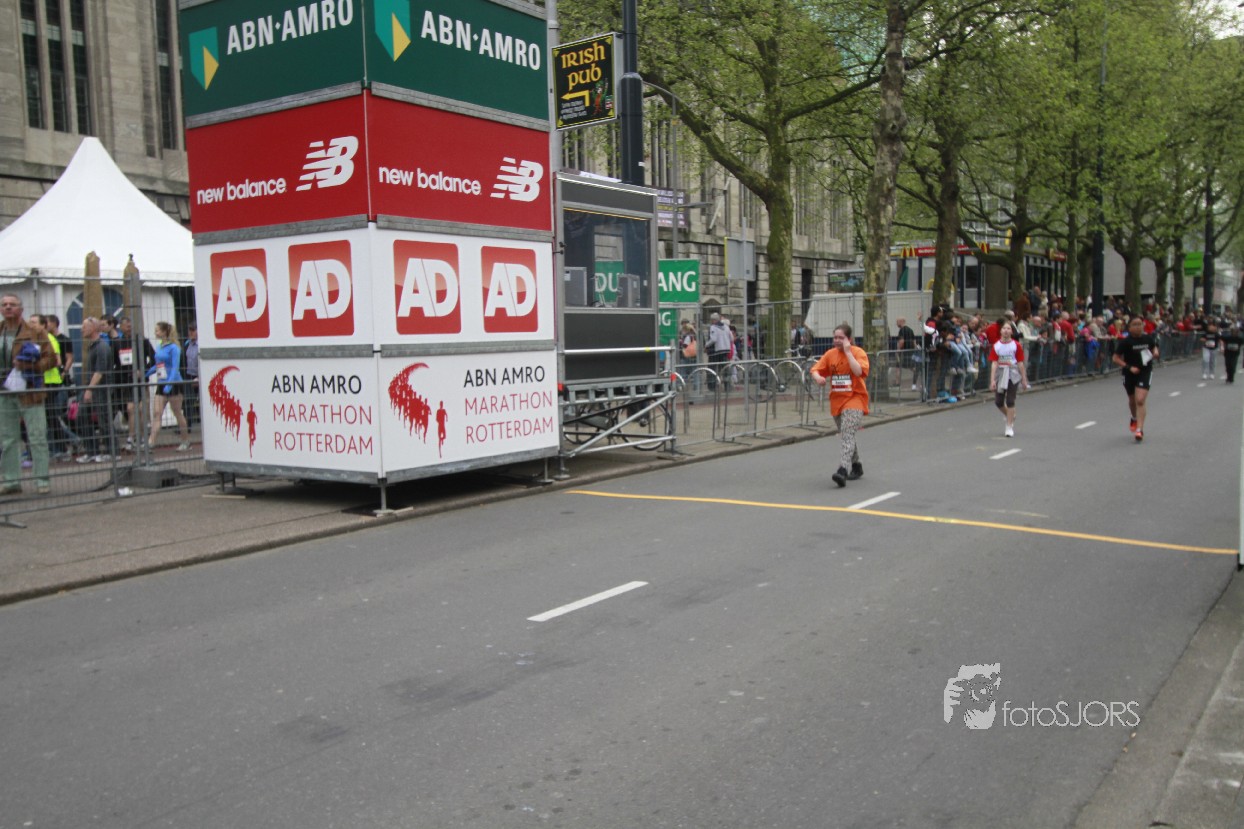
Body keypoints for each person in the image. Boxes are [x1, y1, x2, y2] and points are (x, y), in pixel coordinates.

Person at [0, 294, 56, 495]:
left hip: (30, 391)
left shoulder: (35, 332)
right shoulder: (0, 330)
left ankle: (41, 480)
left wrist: (31, 365)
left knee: (37, 436)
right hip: (4, 391)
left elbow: (52, 359)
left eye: (12, 304)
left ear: (21, 309)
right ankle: (11, 481)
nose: (8, 307)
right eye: (4, 305)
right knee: (8, 439)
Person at [810, 323, 870, 487]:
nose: (837, 340)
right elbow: (815, 369)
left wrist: (848, 352)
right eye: (835, 337)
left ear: (848, 339)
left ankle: (842, 469)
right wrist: (818, 378)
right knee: (847, 434)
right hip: (837, 401)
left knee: (847, 433)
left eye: (841, 338)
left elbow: (859, 372)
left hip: (855, 399)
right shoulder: (830, 354)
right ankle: (857, 466)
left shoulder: (858, 353)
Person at [1112, 316, 1159, 442]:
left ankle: (1139, 429)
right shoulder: (1125, 342)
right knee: (1132, 400)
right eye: (1135, 324)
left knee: (1140, 400)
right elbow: (1115, 358)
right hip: (1129, 373)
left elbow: (1154, 347)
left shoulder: (1148, 338)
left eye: (1140, 324)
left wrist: (1155, 352)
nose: (1138, 327)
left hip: (1145, 371)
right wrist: (1129, 367)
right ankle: (1134, 417)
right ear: (1129, 327)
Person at [146, 321, 191, 451]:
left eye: (157, 330)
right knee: (157, 413)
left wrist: (170, 384)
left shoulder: (174, 348)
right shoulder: (160, 346)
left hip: (174, 383)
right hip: (161, 383)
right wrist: (147, 372)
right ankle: (151, 442)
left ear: (165, 332)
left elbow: (175, 368)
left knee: (177, 412)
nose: (155, 332)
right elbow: (159, 364)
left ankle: (185, 440)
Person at [76, 317, 116, 463]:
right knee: (82, 416)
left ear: (93, 328)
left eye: (84, 326)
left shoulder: (102, 347)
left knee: (104, 419)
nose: (81, 329)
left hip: (101, 389)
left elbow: (100, 372)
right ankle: (91, 451)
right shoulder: (93, 346)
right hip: (92, 388)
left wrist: (89, 390)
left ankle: (112, 451)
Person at [987, 321, 1029, 437]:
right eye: (1004, 328)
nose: (1006, 331)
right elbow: (994, 363)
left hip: (1012, 373)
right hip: (1001, 373)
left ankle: (1009, 426)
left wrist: (1024, 379)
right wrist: (992, 380)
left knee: (1010, 400)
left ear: (1011, 331)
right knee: (998, 401)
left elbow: (1020, 363)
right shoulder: (997, 345)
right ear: (1001, 331)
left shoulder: (1016, 345)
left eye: (1008, 329)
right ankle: (1010, 415)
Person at [705, 313, 733, 391]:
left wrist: (706, 345)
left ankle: (712, 387)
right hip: (726, 350)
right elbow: (731, 338)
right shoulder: (726, 327)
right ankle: (727, 386)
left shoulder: (713, 327)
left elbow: (713, 339)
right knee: (725, 369)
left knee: (712, 369)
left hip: (715, 351)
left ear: (713, 320)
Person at [183, 322, 200, 428]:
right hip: (189, 375)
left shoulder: (200, 344)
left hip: (199, 376)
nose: (190, 333)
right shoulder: (187, 344)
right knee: (188, 400)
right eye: (189, 330)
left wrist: (199, 377)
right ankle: (186, 426)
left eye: (193, 330)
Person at [894, 317, 917, 390]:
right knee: (911, 366)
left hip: (903, 352)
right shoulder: (910, 330)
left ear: (901, 321)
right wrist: (915, 350)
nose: (896, 323)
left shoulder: (901, 330)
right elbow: (914, 342)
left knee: (898, 367)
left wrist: (898, 350)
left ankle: (897, 383)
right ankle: (917, 374)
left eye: (897, 322)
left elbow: (901, 341)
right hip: (910, 351)